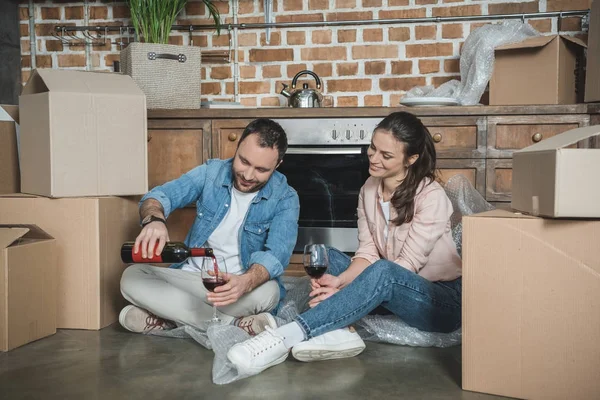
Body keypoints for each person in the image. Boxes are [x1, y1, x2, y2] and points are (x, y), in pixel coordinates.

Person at [227, 111, 462, 374]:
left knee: (384, 272)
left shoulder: (430, 196)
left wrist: (344, 293)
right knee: (325, 256)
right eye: (373, 148)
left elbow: (403, 269)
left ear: (411, 159)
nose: (373, 158)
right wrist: (340, 281)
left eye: (386, 155)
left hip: (439, 300)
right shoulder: (369, 188)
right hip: (386, 285)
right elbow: (368, 253)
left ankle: (284, 337)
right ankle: (340, 330)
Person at [119, 118, 300, 336]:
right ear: (238, 146)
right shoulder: (210, 173)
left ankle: (171, 318)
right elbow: (159, 196)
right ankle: (233, 325)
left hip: (238, 289)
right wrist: (154, 220)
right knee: (132, 276)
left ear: (277, 165)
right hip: (194, 280)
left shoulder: (286, 197)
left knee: (269, 292)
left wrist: (245, 282)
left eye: (261, 169)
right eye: (244, 161)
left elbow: (277, 255)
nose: (248, 175)